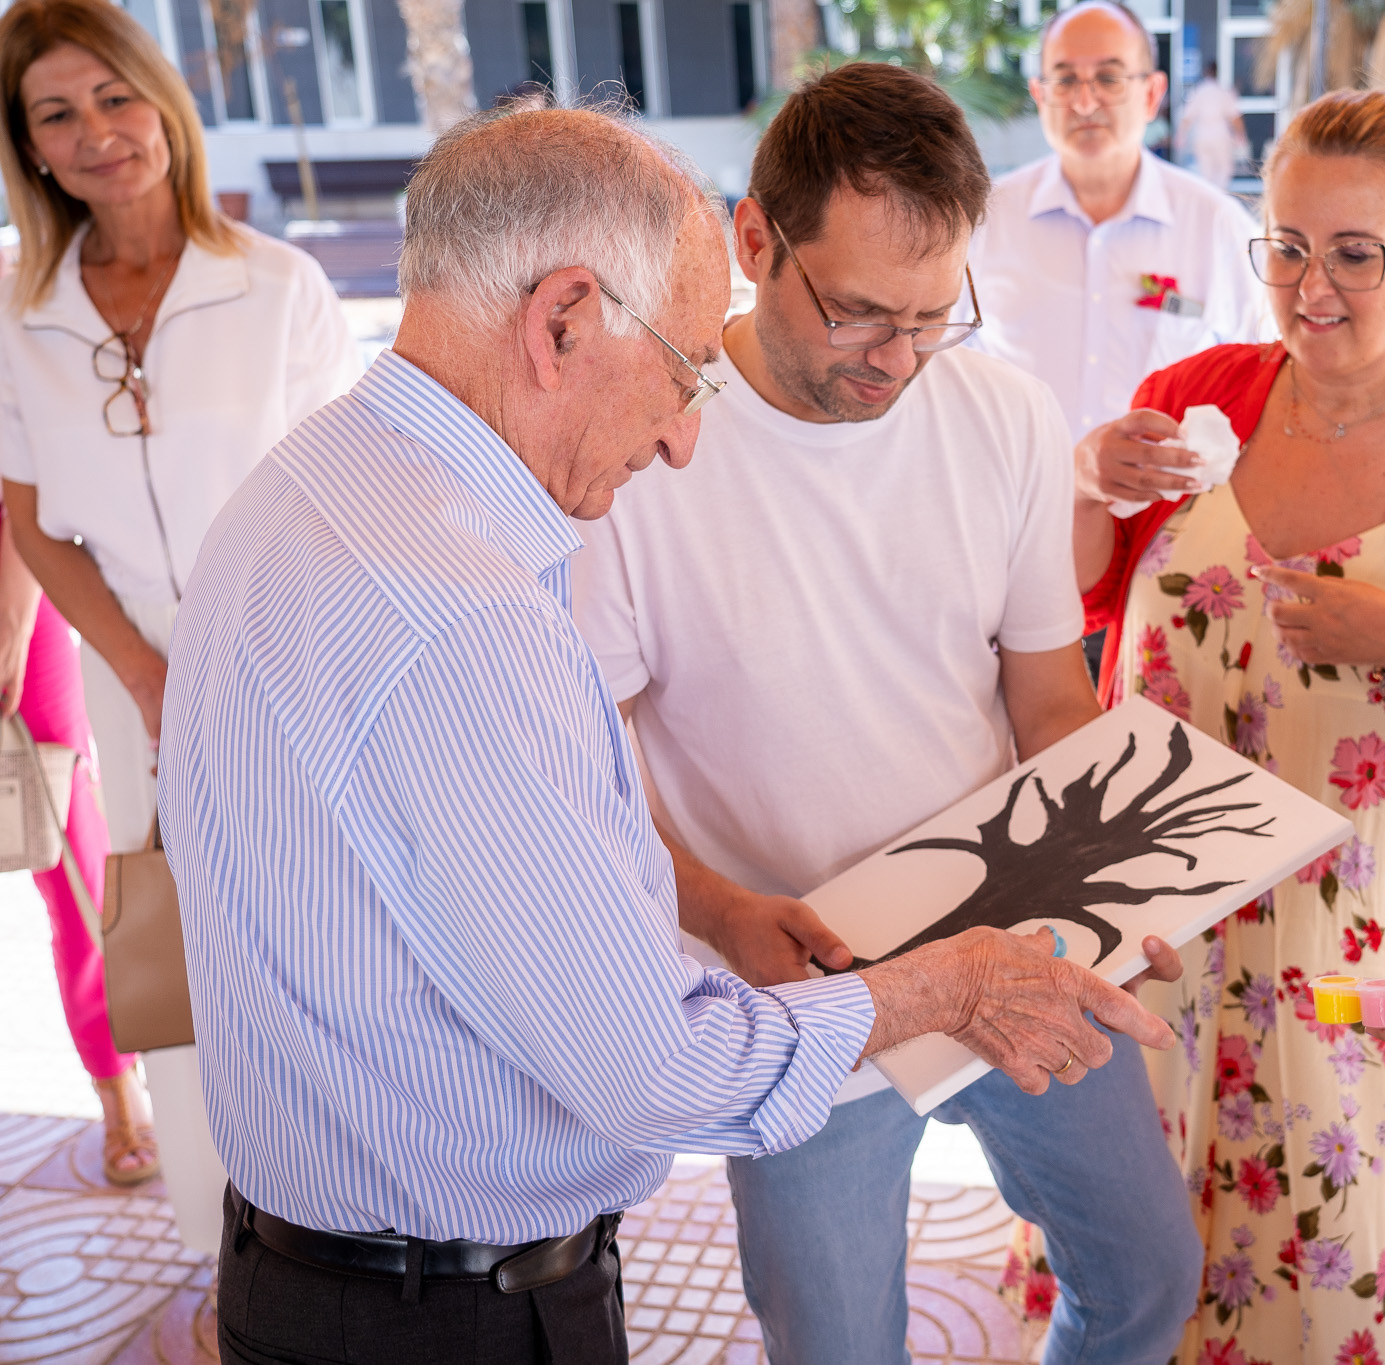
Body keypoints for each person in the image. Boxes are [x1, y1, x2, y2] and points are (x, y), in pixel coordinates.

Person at [158, 100, 1172, 1365]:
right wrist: (942, 984)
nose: (688, 435)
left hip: (331, 1263)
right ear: (562, 321)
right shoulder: (463, 616)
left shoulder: (307, 485)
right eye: (686, 369)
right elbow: (656, 1072)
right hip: (442, 1306)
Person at [571, 62, 1202, 1365]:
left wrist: (1127, 876)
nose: (899, 361)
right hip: (805, 992)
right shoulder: (642, 451)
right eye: (860, 314)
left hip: (1016, 927)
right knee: (837, 1346)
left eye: (932, 317)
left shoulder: (1005, 414)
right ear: (754, 240)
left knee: (1148, 1274)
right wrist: (719, 911)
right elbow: (596, 770)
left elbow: (1049, 698)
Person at [1071, 88, 1385, 1364]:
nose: (1312, 288)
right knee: (1126, 1271)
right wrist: (1084, 482)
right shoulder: (1191, 396)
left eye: (1354, 254)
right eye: (1288, 247)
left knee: (1315, 1270)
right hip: (1148, 922)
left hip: (1341, 949)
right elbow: (1081, 600)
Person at [0, 0, 358, 1253]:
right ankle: (227, 1258)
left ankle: (345, 1235)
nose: (96, 132)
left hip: (283, 658)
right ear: (30, 149)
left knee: (314, 955)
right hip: (129, 676)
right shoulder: (21, 314)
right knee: (180, 959)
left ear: (163, 104)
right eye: (57, 113)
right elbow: (32, 519)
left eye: (115, 96)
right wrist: (146, 675)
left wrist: (233, 665)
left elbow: (337, 501)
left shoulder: (277, 288)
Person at [968, 0, 1266, 444]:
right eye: (1065, 80)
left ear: (1152, 94)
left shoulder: (1216, 227)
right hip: (1017, 486)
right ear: (1039, 94)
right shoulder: (984, 221)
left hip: (1167, 490)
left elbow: (1260, 374)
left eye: (1109, 78)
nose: (1085, 102)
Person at [0, 511, 137, 1184]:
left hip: (16, 577)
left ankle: (118, 1087)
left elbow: (20, 476)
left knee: (73, 860)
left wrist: (14, 617)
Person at [1177, 61, 1247, 191]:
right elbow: (1235, 117)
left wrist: (1181, 136)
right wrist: (1241, 135)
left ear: (1205, 72)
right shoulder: (1223, 91)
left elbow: (1187, 117)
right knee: (1223, 169)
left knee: (1206, 171)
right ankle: (1218, 196)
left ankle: (1209, 198)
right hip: (1220, 135)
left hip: (1202, 136)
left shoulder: (1198, 91)